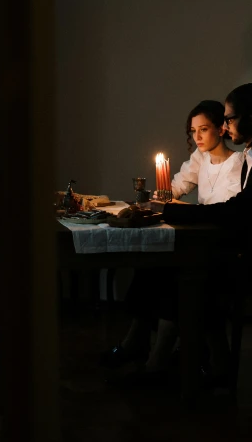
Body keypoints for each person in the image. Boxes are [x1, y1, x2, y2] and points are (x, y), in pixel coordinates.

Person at [104, 100, 243, 381]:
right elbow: (174, 187)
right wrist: (161, 195)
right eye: (193, 131)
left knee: (171, 270)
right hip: (198, 241)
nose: (198, 137)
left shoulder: (237, 163)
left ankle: (157, 359)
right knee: (151, 264)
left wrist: (178, 207)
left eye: (204, 129)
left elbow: (226, 212)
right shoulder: (200, 159)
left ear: (221, 128)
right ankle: (137, 339)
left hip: (219, 246)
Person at [162, 83, 252, 249]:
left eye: (229, 119)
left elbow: (236, 211)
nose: (225, 126)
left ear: (250, 120)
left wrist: (174, 212)